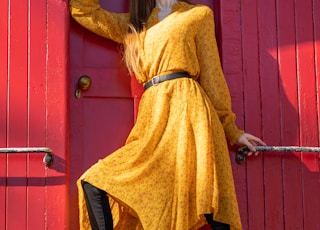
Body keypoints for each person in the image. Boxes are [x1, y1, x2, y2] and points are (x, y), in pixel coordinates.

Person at [70, 0, 266, 229]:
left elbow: (213, 78)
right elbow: (84, 12)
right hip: (153, 119)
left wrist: (232, 131)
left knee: (205, 193)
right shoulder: (136, 24)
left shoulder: (197, 15)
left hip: (189, 113)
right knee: (94, 182)